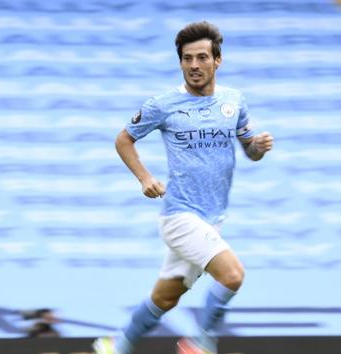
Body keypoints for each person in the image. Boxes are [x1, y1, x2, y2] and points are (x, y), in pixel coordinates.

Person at [92, 21, 274, 354]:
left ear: (217, 61)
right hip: (180, 216)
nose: (194, 65)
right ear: (180, 62)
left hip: (212, 218)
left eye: (202, 57)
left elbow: (249, 151)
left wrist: (258, 147)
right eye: (187, 58)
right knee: (232, 275)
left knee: (165, 298)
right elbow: (123, 139)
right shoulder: (163, 104)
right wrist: (145, 178)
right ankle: (200, 343)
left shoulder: (234, 101)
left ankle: (115, 345)